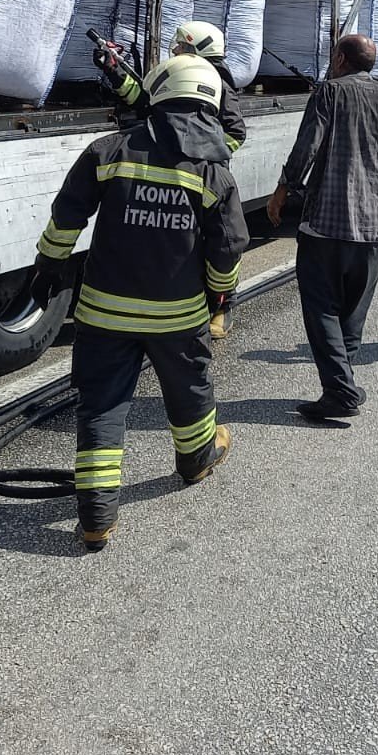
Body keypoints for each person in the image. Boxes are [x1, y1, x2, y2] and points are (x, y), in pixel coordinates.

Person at [30, 54, 249, 553]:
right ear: (210, 102)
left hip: (104, 313)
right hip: (178, 317)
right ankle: (195, 461)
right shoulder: (212, 170)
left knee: (102, 407)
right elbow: (229, 244)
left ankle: (96, 519)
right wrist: (220, 291)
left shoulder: (109, 150)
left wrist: (49, 265)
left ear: (159, 92)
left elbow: (68, 214)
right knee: (189, 390)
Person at [266, 33, 378, 421]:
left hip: (328, 219)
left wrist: (283, 190)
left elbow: (307, 145)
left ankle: (340, 391)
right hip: (375, 221)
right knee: (353, 310)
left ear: (340, 58)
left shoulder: (329, 92)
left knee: (321, 307)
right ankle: (342, 383)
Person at [93, 19, 246, 155]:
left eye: (181, 45)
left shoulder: (219, 85)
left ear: (196, 49)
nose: (174, 50)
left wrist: (199, 152)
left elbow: (235, 135)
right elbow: (144, 102)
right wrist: (113, 70)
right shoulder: (178, 74)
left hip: (195, 171)